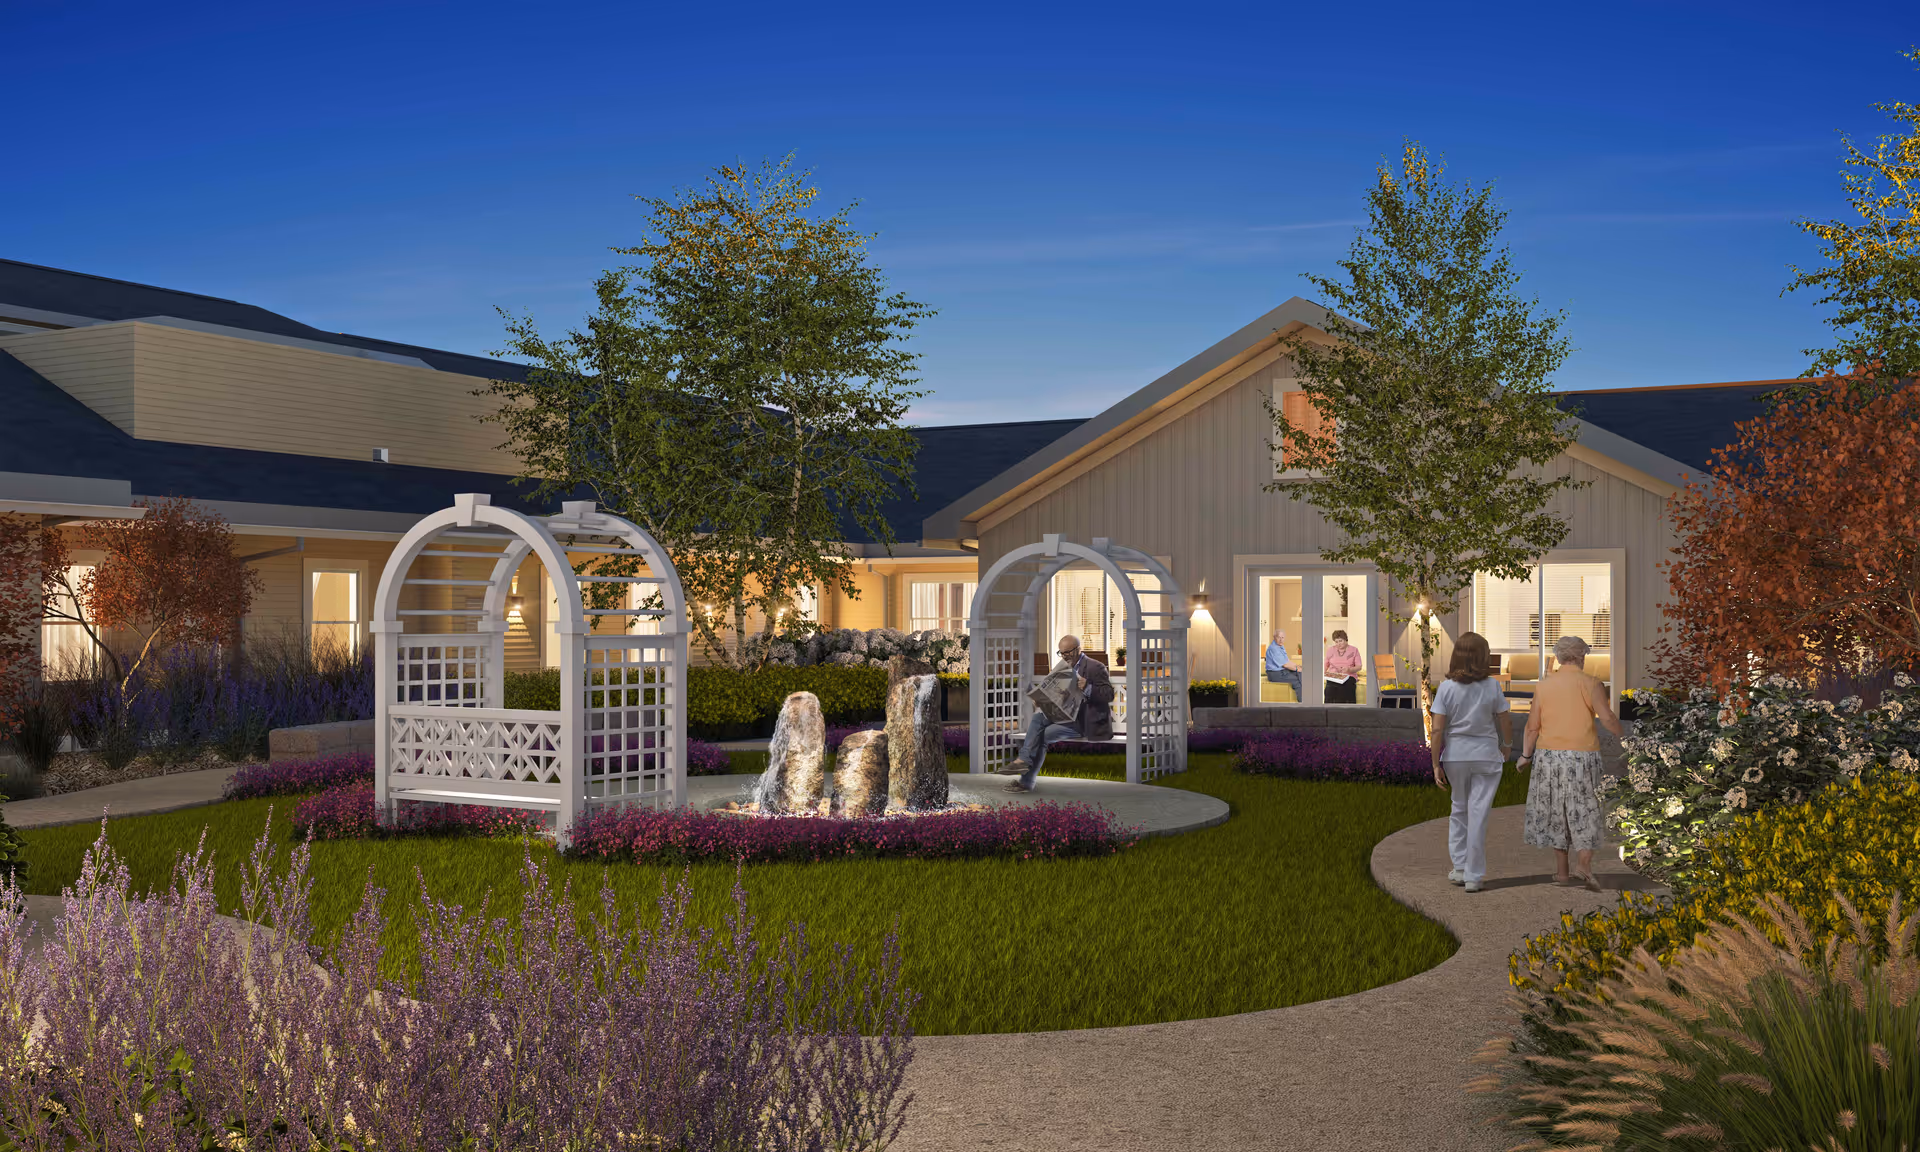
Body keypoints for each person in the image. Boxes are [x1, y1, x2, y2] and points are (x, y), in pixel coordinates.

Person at [1517, 635, 1624, 891]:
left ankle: (1562, 873)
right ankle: (1584, 866)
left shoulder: (1544, 686)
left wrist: (1525, 756)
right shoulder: (1591, 683)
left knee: (1557, 811)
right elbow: (1607, 717)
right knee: (1585, 808)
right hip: (1581, 757)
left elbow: (1532, 727)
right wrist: (1625, 738)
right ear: (1580, 657)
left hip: (1548, 757)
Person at [1429, 632, 1511, 893]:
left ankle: (1461, 867)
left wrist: (1434, 764)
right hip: (1486, 755)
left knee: (1459, 810)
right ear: (1483, 657)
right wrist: (1507, 746)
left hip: (1455, 756)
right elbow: (1505, 720)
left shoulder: (1446, 688)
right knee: (1479, 813)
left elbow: (1437, 731)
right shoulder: (1492, 686)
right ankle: (1473, 876)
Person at [997, 634, 1115, 793]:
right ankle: (1023, 762)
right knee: (1038, 717)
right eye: (1061, 653)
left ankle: (1025, 780)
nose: (1064, 657)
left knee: (1041, 735)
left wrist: (1087, 686)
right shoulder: (1063, 668)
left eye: (1068, 653)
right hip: (1064, 716)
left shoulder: (1095, 667)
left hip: (1083, 722)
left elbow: (1108, 695)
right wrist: (1043, 700)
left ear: (1079, 650)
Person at [1323, 629, 1362, 704]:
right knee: (1329, 690)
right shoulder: (1330, 650)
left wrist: (1349, 669)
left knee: (1343, 690)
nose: (1338, 644)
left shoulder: (1354, 650)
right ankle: (1329, 712)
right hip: (1334, 676)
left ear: (1345, 640)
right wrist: (1323, 673)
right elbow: (1325, 664)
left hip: (1349, 676)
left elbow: (1359, 666)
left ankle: (1344, 712)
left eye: (1340, 641)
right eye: (1336, 642)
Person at [1264, 629, 1302, 699]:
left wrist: (1298, 666)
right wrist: (1298, 669)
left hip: (1282, 671)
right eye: (1279, 637)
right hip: (1275, 674)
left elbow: (1287, 661)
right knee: (1296, 681)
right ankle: (1303, 703)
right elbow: (1285, 665)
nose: (1281, 640)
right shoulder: (1273, 648)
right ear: (1274, 637)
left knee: (1299, 673)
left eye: (1282, 637)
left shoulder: (1280, 646)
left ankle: (1308, 695)